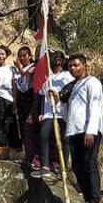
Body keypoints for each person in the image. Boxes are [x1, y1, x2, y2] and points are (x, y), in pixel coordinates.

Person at [64, 53, 103, 203]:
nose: (73, 68)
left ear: (85, 66)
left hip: (88, 131)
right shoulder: (72, 86)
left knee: (89, 164)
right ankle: (88, 201)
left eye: (76, 65)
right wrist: (58, 101)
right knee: (78, 167)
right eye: (70, 66)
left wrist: (91, 129)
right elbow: (68, 113)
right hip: (74, 131)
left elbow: (95, 106)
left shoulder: (92, 83)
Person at [32, 50, 74, 179]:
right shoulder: (47, 78)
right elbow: (42, 96)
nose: (57, 60)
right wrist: (41, 112)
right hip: (49, 112)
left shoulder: (68, 75)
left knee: (64, 139)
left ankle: (63, 168)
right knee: (44, 135)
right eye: (55, 57)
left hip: (63, 111)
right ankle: (44, 166)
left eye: (60, 57)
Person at [12, 46, 39, 167]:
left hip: (30, 98)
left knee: (31, 128)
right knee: (23, 129)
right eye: (20, 56)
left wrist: (19, 67)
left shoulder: (33, 67)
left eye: (24, 56)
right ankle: (27, 156)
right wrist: (15, 103)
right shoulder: (17, 71)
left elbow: (27, 75)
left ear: (30, 56)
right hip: (21, 100)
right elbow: (16, 87)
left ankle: (34, 157)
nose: (22, 58)